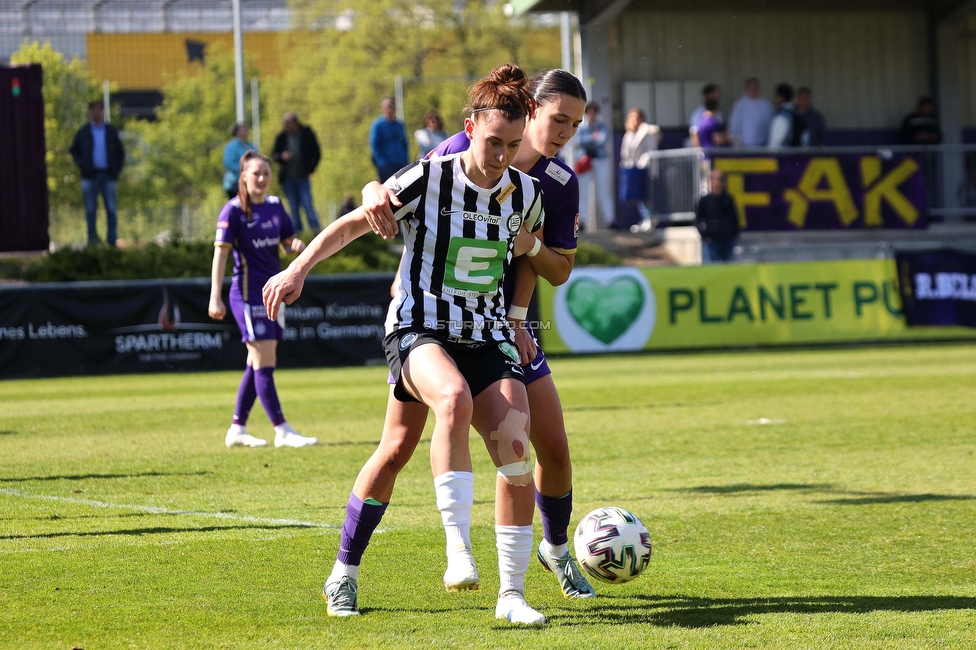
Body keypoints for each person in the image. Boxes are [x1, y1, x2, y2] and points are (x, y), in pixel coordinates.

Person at [264, 64, 552, 625]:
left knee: (513, 444)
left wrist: (517, 315)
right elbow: (353, 223)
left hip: (485, 333)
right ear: (469, 128)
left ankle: (512, 596)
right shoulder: (431, 177)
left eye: (514, 146)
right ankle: (431, 554)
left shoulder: (527, 194)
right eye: (494, 142)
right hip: (419, 326)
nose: (501, 156)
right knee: (450, 401)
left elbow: (529, 262)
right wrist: (298, 269)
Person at [353, 67, 593, 611]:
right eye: (558, 119)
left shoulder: (555, 184)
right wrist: (371, 191)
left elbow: (555, 267)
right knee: (395, 449)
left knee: (550, 448)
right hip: (431, 321)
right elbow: (400, 190)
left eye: (575, 126)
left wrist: (519, 297)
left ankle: (553, 550)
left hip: (501, 327)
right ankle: (348, 567)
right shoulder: (469, 143)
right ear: (532, 110)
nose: (564, 134)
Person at [209, 151, 319, 450]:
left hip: (273, 293)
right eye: (256, 173)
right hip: (246, 296)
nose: (261, 178)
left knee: (255, 361)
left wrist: (294, 245)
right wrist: (214, 297)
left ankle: (237, 428)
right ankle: (282, 430)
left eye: (266, 173)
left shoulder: (275, 207)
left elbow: (285, 242)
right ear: (243, 176)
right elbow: (220, 254)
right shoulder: (232, 211)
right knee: (265, 360)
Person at [70, 100, 125, 246]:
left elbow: (120, 152)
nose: (96, 112)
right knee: (90, 209)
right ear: (90, 112)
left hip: (108, 175)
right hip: (90, 176)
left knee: (111, 209)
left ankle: (112, 240)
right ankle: (92, 240)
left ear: (102, 112)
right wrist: (82, 165)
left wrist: (116, 170)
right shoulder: (84, 132)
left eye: (99, 110)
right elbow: (74, 150)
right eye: (93, 110)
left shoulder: (110, 131)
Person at [272, 112, 322, 233]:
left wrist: (310, 169)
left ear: (295, 123)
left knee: (307, 204)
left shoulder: (307, 134)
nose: (285, 126)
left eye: (287, 123)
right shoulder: (281, 137)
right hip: (288, 178)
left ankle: (316, 231)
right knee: (293, 207)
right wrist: (282, 157)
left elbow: (316, 153)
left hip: (303, 177)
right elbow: (274, 155)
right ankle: (297, 233)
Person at [619, 107, 660, 232]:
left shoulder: (647, 131)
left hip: (645, 170)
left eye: (637, 117)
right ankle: (646, 219)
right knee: (639, 197)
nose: (634, 120)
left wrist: (642, 163)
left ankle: (650, 219)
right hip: (633, 172)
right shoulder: (629, 134)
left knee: (646, 196)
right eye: (632, 117)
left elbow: (651, 147)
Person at [575, 102, 615, 229]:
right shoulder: (581, 127)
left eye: (594, 111)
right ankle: (582, 221)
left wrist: (589, 141)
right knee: (583, 192)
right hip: (585, 161)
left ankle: (610, 220)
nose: (592, 114)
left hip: (600, 160)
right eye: (589, 111)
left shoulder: (603, 126)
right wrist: (593, 139)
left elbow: (602, 141)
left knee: (604, 191)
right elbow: (579, 141)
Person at [695, 169, 739, 263]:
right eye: (717, 179)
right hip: (711, 241)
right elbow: (698, 220)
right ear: (711, 181)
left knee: (729, 270)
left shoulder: (728, 200)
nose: (719, 183)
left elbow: (735, 218)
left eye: (722, 179)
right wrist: (704, 234)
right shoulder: (705, 201)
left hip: (727, 241)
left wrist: (734, 234)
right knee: (711, 268)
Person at [369, 96, 409, 181]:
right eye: (387, 106)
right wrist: (382, 163)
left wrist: (406, 162)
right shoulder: (377, 125)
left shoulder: (399, 125)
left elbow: (404, 144)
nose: (390, 108)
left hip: (401, 164)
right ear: (382, 108)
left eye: (392, 105)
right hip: (386, 165)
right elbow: (375, 144)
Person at [728, 78, 773, 147]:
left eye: (755, 87)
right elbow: (734, 124)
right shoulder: (740, 104)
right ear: (746, 88)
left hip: (762, 145)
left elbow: (770, 125)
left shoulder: (766, 105)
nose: (753, 89)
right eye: (751, 87)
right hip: (743, 146)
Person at [222, 122, 253, 200]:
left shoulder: (251, 146)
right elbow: (229, 164)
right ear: (237, 132)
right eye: (243, 128)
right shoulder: (231, 147)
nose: (246, 130)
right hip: (235, 183)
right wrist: (245, 169)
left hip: (250, 181)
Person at [768, 83, 805, 149]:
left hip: (784, 156)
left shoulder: (782, 116)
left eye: (776, 96)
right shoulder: (798, 114)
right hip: (799, 156)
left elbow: (774, 143)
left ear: (781, 97)